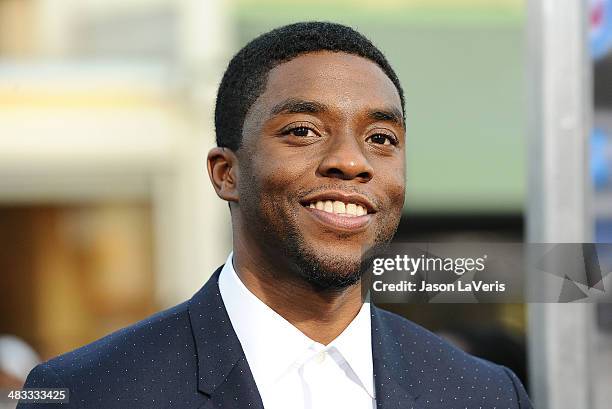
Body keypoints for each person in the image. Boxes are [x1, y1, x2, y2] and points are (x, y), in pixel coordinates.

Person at [18, 22, 532, 408]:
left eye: (381, 139)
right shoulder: (89, 391)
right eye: (303, 131)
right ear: (226, 174)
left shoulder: (482, 393)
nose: (351, 161)